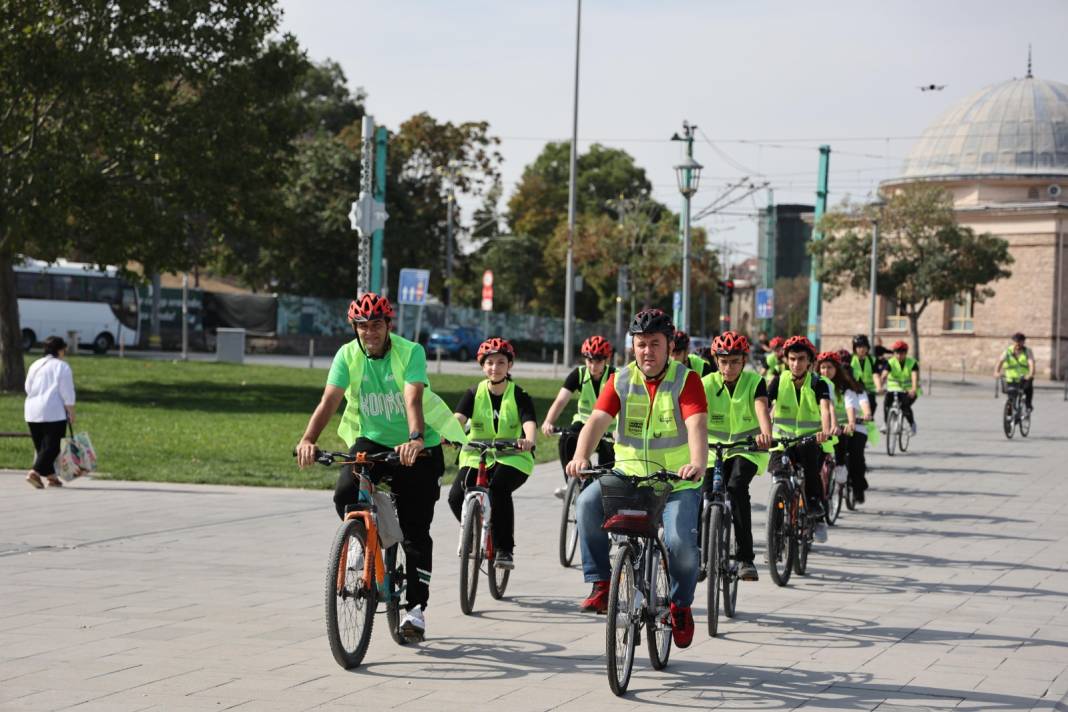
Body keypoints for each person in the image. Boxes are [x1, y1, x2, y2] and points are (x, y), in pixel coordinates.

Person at [296, 293, 459, 643]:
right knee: (345, 492)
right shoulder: (347, 355)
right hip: (373, 439)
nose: (369, 332)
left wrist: (415, 438)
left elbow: (413, 395)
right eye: (362, 326)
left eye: (376, 325)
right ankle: (360, 539)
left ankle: (415, 610)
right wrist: (308, 438)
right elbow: (330, 400)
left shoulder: (409, 352)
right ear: (354, 327)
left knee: (416, 530)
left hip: (417, 446)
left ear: (389, 326)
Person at [566, 308, 708, 649]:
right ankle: (602, 584)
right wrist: (581, 455)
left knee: (679, 545)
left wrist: (697, 462)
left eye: (655, 344)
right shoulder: (621, 379)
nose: (647, 351)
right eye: (641, 343)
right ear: (632, 345)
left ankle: (680, 605)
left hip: (677, 480)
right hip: (629, 474)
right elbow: (597, 420)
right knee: (586, 503)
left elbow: (696, 425)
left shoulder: (686, 380)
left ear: (669, 345)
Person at [448, 338, 536, 571]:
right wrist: (449, 434)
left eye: (500, 362)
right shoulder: (473, 392)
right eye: (489, 363)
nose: (494, 367)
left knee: (498, 489)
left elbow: (528, 421)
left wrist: (528, 440)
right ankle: (473, 532)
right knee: (456, 496)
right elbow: (459, 418)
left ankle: (504, 549)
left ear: (509, 366)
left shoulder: (519, 394)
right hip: (477, 453)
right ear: (482, 365)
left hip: (513, 456)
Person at [702, 331, 773, 582]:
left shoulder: (755, 382)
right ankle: (702, 553)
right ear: (716, 361)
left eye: (734, 361)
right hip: (712, 451)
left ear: (743, 360)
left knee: (736, 487)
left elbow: (761, 408)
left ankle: (745, 558)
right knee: (705, 493)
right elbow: (693, 415)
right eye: (724, 361)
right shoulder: (706, 383)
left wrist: (765, 434)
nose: (729, 367)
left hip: (747, 449)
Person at [767, 336, 834, 543]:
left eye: (801, 359)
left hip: (809, 440)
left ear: (810, 362)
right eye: (792, 359)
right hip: (782, 441)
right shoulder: (778, 381)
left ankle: (818, 514)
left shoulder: (818, 383)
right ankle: (775, 538)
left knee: (812, 471)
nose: (796, 364)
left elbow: (825, 408)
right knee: (778, 477)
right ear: (786, 359)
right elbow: (765, 407)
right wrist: (762, 431)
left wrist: (824, 430)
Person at [541, 335, 615, 499]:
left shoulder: (614, 376)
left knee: (608, 469)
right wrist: (548, 421)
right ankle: (573, 484)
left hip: (609, 427)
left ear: (606, 359)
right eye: (589, 361)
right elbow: (561, 400)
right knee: (567, 439)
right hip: (583, 423)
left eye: (598, 361)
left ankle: (603, 493)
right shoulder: (579, 374)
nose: (593, 366)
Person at [817, 351, 872, 504]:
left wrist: (852, 422)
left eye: (829, 368)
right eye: (823, 368)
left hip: (850, 427)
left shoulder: (846, 389)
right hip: (825, 427)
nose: (825, 371)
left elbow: (850, 406)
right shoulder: (814, 384)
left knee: (856, 457)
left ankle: (857, 488)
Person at [24, 336, 76, 489]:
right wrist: (71, 411)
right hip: (53, 411)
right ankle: (34, 472)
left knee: (42, 448)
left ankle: (52, 477)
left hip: (32, 410)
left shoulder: (35, 365)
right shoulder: (62, 366)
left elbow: (28, 387)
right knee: (53, 447)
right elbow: (67, 392)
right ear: (60, 350)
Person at [880, 340, 919, 435]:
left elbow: (914, 377)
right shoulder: (890, 362)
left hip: (908, 390)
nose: (899, 355)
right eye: (897, 353)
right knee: (886, 403)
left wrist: (913, 389)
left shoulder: (912, 363)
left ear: (906, 353)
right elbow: (885, 373)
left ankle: (912, 424)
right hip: (893, 389)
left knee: (905, 406)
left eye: (902, 353)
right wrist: (882, 382)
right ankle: (886, 424)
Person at [994, 332, 1036, 413]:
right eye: (1016, 341)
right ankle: (1009, 412)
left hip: (1024, 377)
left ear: (1023, 342)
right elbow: (1000, 361)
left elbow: (1031, 363)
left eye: (1019, 341)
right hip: (1010, 378)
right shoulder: (1008, 350)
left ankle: (1028, 405)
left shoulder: (1027, 351)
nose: (1017, 344)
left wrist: (1030, 374)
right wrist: (996, 371)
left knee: (1028, 388)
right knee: (1011, 395)